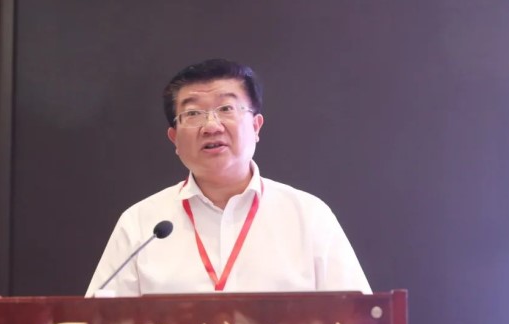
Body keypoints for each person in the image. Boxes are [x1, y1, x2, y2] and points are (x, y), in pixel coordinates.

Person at [86, 59, 371, 297]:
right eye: (193, 113)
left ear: (256, 126)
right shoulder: (141, 224)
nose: (211, 126)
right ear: (174, 138)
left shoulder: (308, 216)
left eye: (226, 109)